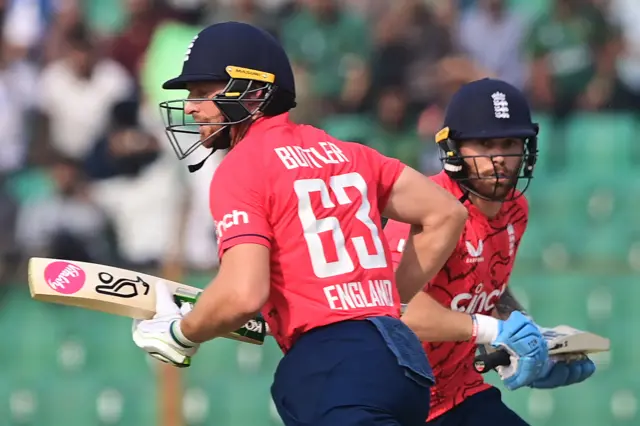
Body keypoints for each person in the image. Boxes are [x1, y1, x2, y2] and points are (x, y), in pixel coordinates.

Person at [130, 21, 469, 425]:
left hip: (332, 364)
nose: (190, 106)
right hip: (401, 360)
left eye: (204, 93)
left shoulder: (242, 165)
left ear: (251, 92)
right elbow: (446, 213)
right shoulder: (346, 151)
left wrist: (181, 334)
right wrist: (379, 299)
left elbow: (242, 294)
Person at [384, 78, 596, 426]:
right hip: (395, 399)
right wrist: (492, 332)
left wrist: (534, 339)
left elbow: (487, 285)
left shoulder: (516, 210)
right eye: (483, 144)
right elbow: (396, 307)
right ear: (454, 149)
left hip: (458, 392)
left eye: (510, 143)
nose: (499, 159)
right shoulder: (426, 206)